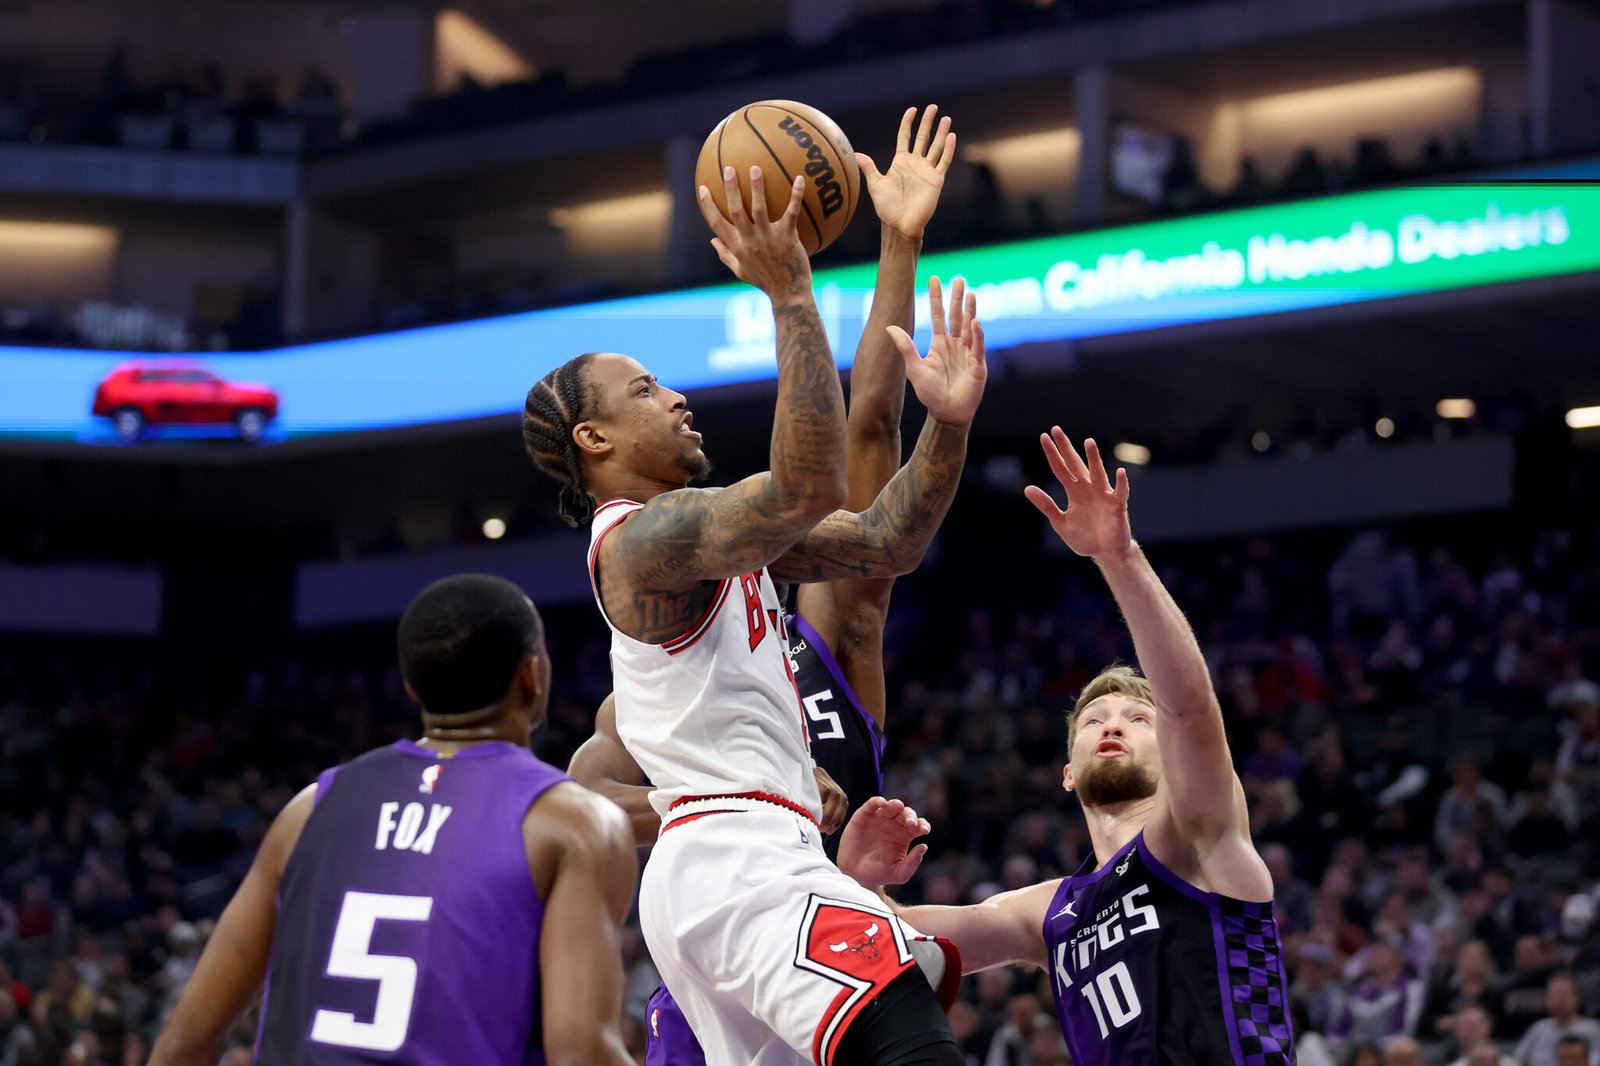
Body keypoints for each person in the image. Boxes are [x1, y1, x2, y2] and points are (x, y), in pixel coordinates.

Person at [521, 105, 986, 1064]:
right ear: (594, 441)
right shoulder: (643, 545)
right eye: (645, 390)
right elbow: (810, 481)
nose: (677, 395)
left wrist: (947, 424)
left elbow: (886, 539)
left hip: (742, 871)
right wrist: (789, 292)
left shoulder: (728, 559)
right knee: (915, 1044)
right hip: (735, 861)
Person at [837, 430, 1292, 1065]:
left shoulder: (1198, 836)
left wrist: (1119, 557)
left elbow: (1189, 708)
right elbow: (900, 937)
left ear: (1173, 761)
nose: (1112, 725)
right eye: (1093, 720)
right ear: (1067, 774)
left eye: (1138, 718)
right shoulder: (1051, 911)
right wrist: (861, 885)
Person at [148, 574, 637, 1066]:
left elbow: (184, 1043)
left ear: (410, 686)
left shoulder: (309, 809)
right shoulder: (573, 823)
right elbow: (582, 1052)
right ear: (532, 676)